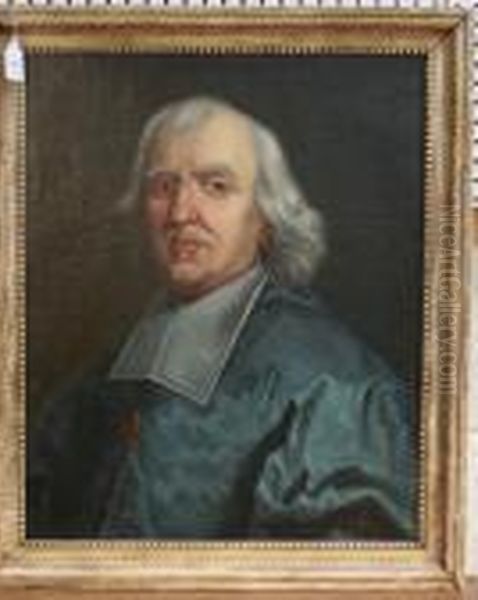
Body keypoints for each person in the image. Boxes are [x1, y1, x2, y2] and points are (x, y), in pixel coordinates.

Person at [27, 96, 417, 540]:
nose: (180, 213)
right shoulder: (97, 379)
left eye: (215, 186)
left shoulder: (338, 387)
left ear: (266, 217)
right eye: (163, 187)